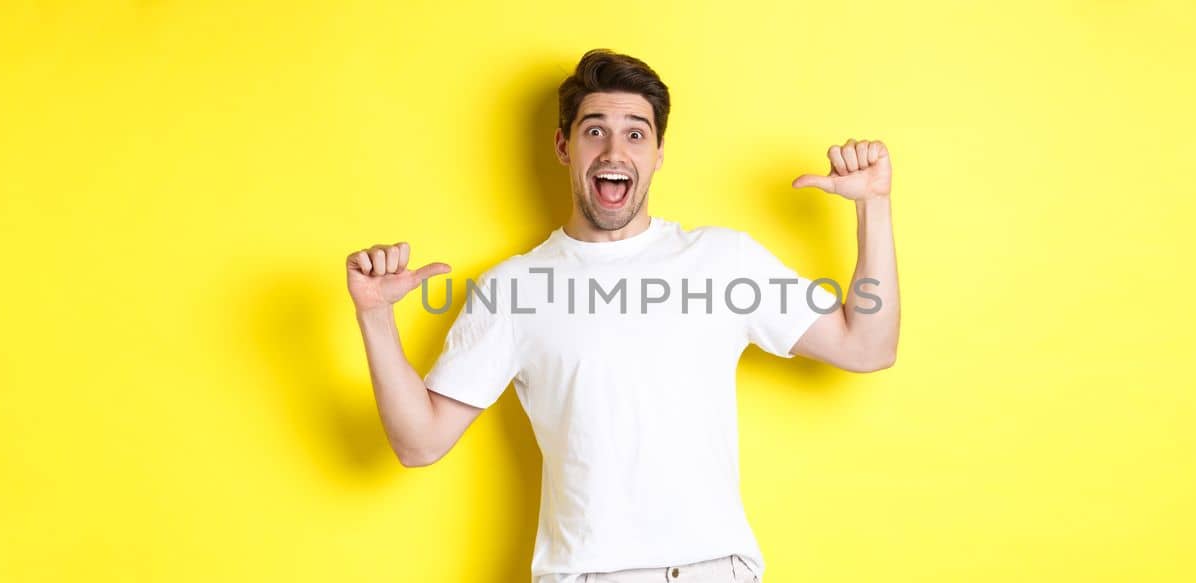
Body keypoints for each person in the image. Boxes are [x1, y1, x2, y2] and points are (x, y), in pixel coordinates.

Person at [344, 49, 900, 583]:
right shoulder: (512, 289)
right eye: (595, 131)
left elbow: (867, 347)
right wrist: (375, 316)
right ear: (564, 146)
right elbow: (419, 444)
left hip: (715, 570)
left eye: (636, 133)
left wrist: (873, 204)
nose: (615, 152)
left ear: (658, 152)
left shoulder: (724, 261)